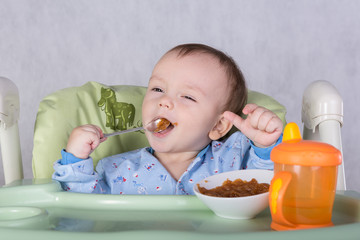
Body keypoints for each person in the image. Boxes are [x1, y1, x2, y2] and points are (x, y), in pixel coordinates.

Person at [52, 43, 283, 195]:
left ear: (219, 125)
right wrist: (75, 160)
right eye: (158, 89)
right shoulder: (116, 170)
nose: (164, 101)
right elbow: (78, 212)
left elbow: (270, 186)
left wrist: (264, 146)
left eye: (187, 96)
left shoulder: (235, 159)